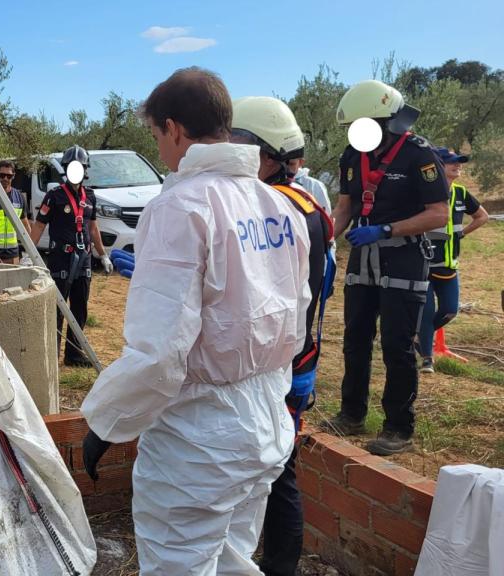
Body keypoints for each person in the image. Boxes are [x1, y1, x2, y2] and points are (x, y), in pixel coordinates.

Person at [80, 68, 310, 574]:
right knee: (231, 558)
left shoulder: (179, 206)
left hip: (200, 440)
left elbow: (160, 352)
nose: (160, 149)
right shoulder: (279, 206)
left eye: (157, 136)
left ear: (175, 129)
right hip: (267, 423)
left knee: (180, 564)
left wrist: (106, 422)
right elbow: (296, 317)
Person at [230, 97, 335, 576]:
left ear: (265, 155)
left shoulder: (272, 208)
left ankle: (279, 568)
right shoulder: (309, 204)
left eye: (236, 143)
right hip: (299, 360)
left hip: (277, 368)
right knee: (277, 471)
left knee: (277, 476)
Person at [324, 80, 449, 455]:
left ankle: (399, 428)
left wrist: (387, 229)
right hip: (364, 258)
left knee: (397, 344)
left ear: (388, 121)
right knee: (355, 339)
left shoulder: (419, 155)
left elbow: (438, 214)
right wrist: (321, 238)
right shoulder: (353, 155)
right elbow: (345, 207)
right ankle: (351, 414)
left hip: (405, 257)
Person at [30, 145, 112, 367]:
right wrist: (29, 253)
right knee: (58, 308)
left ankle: (74, 355)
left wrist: (103, 255)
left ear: (85, 170)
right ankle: (52, 356)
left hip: (83, 259)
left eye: (80, 167)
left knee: (80, 307)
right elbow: (38, 225)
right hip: (60, 259)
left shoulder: (91, 196)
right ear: (66, 169)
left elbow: (93, 228)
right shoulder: (54, 196)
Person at [417, 147, 490, 372]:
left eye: (459, 162)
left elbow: (483, 216)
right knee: (427, 312)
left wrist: (462, 233)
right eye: (452, 162)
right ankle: (427, 359)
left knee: (449, 310)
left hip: (450, 266)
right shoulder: (421, 192)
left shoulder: (460, 192)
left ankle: (418, 337)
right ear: (438, 166)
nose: (458, 165)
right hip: (424, 265)